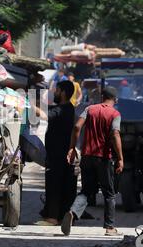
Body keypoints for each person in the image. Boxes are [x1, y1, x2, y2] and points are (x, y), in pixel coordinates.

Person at [62, 86, 124, 236]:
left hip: (87, 156)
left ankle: (72, 212)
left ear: (102, 97)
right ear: (115, 100)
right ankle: (109, 228)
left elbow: (77, 127)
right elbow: (115, 134)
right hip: (103, 158)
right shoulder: (115, 113)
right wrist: (120, 158)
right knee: (109, 193)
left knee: (86, 191)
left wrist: (71, 148)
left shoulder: (89, 109)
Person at [37, 80, 77, 226]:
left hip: (58, 155)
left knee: (54, 185)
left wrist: (26, 105)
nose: (55, 92)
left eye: (57, 90)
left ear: (63, 93)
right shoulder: (65, 108)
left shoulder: (64, 109)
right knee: (63, 185)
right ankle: (60, 215)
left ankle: (53, 218)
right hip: (61, 154)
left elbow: (45, 115)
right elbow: (49, 110)